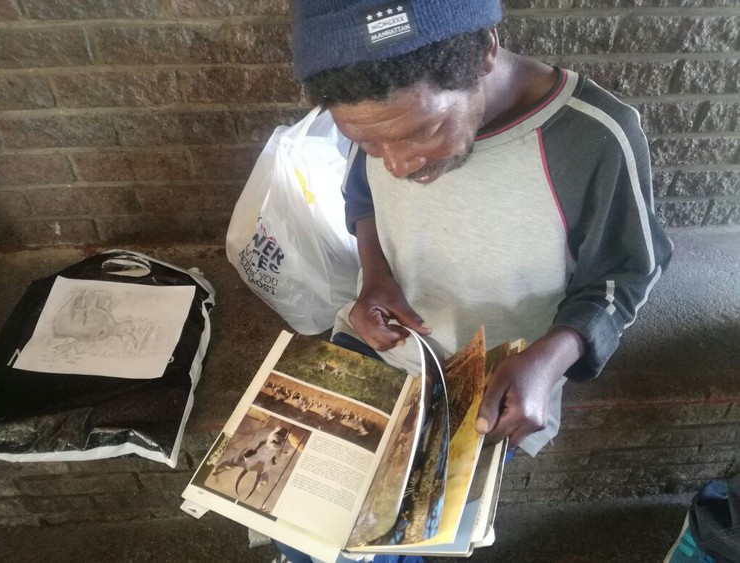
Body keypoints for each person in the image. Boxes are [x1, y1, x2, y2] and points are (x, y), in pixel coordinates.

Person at [279, 0, 673, 561]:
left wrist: (549, 359)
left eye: (426, 130)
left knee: (406, 534)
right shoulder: (376, 111)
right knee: (309, 532)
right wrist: (376, 279)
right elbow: (362, 198)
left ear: (485, 51)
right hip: (383, 346)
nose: (398, 164)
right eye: (368, 143)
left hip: (491, 384)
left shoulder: (592, 137)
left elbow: (624, 275)